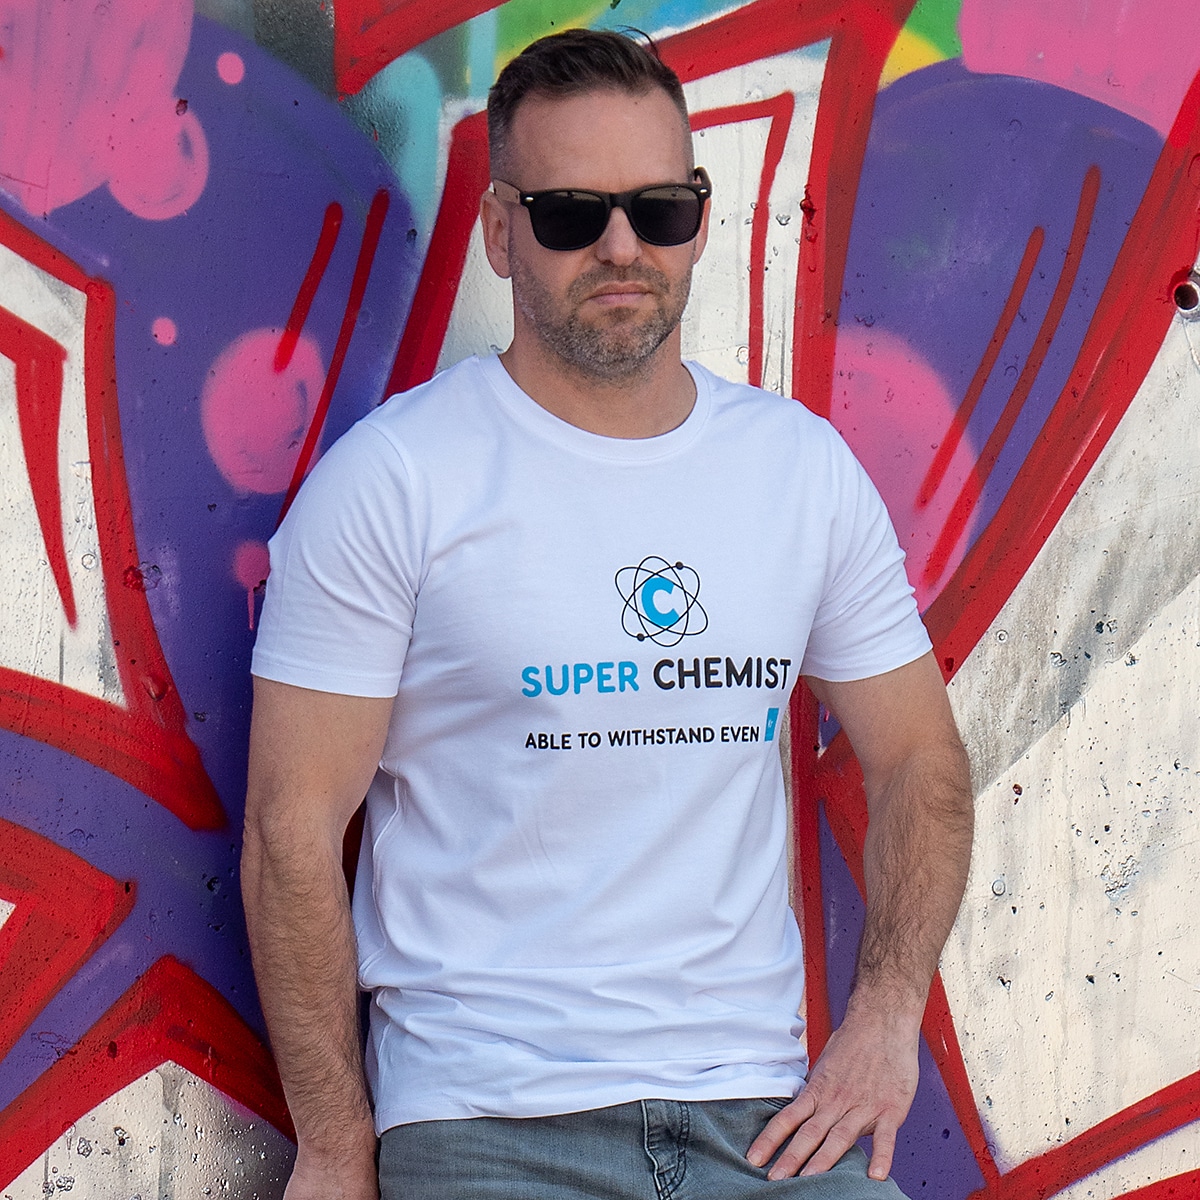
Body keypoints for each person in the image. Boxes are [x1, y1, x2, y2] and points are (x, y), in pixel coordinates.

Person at [241, 28, 974, 1200]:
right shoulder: (396, 482)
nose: (623, 247)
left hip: (764, 1121)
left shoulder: (799, 471)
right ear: (500, 231)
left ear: (700, 217)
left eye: (658, 210)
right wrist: (334, 1143)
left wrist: (887, 1016)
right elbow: (291, 828)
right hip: (489, 1127)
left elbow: (920, 761)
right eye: (573, 213)